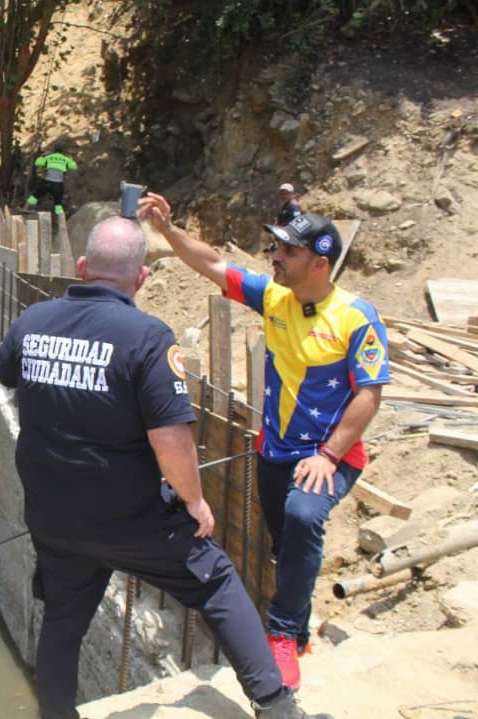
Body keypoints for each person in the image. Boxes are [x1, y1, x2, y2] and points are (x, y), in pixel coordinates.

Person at [0, 216, 327, 719]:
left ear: (83, 268)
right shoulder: (148, 337)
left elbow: (7, 373)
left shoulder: (33, 322)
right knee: (214, 579)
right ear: (141, 279)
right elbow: (171, 438)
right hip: (133, 517)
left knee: (63, 621)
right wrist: (194, 502)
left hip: (53, 515)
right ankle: (277, 706)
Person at [139, 193, 390, 692]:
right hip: (275, 452)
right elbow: (211, 263)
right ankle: (299, 631)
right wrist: (169, 232)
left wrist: (329, 454)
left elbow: (370, 394)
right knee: (286, 539)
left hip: (330, 456)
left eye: (287, 252)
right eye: (275, 249)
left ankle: (281, 634)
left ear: (320, 263)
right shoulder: (274, 298)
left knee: (303, 517)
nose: (275, 257)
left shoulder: (355, 317)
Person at [26, 142, 78, 215]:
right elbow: (74, 167)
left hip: (46, 182)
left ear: (54, 150)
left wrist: (42, 156)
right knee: (58, 203)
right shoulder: (66, 159)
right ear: (63, 151)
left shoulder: (49, 157)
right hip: (58, 184)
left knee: (35, 196)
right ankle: (58, 212)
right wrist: (71, 159)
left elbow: (38, 163)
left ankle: (28, 206)